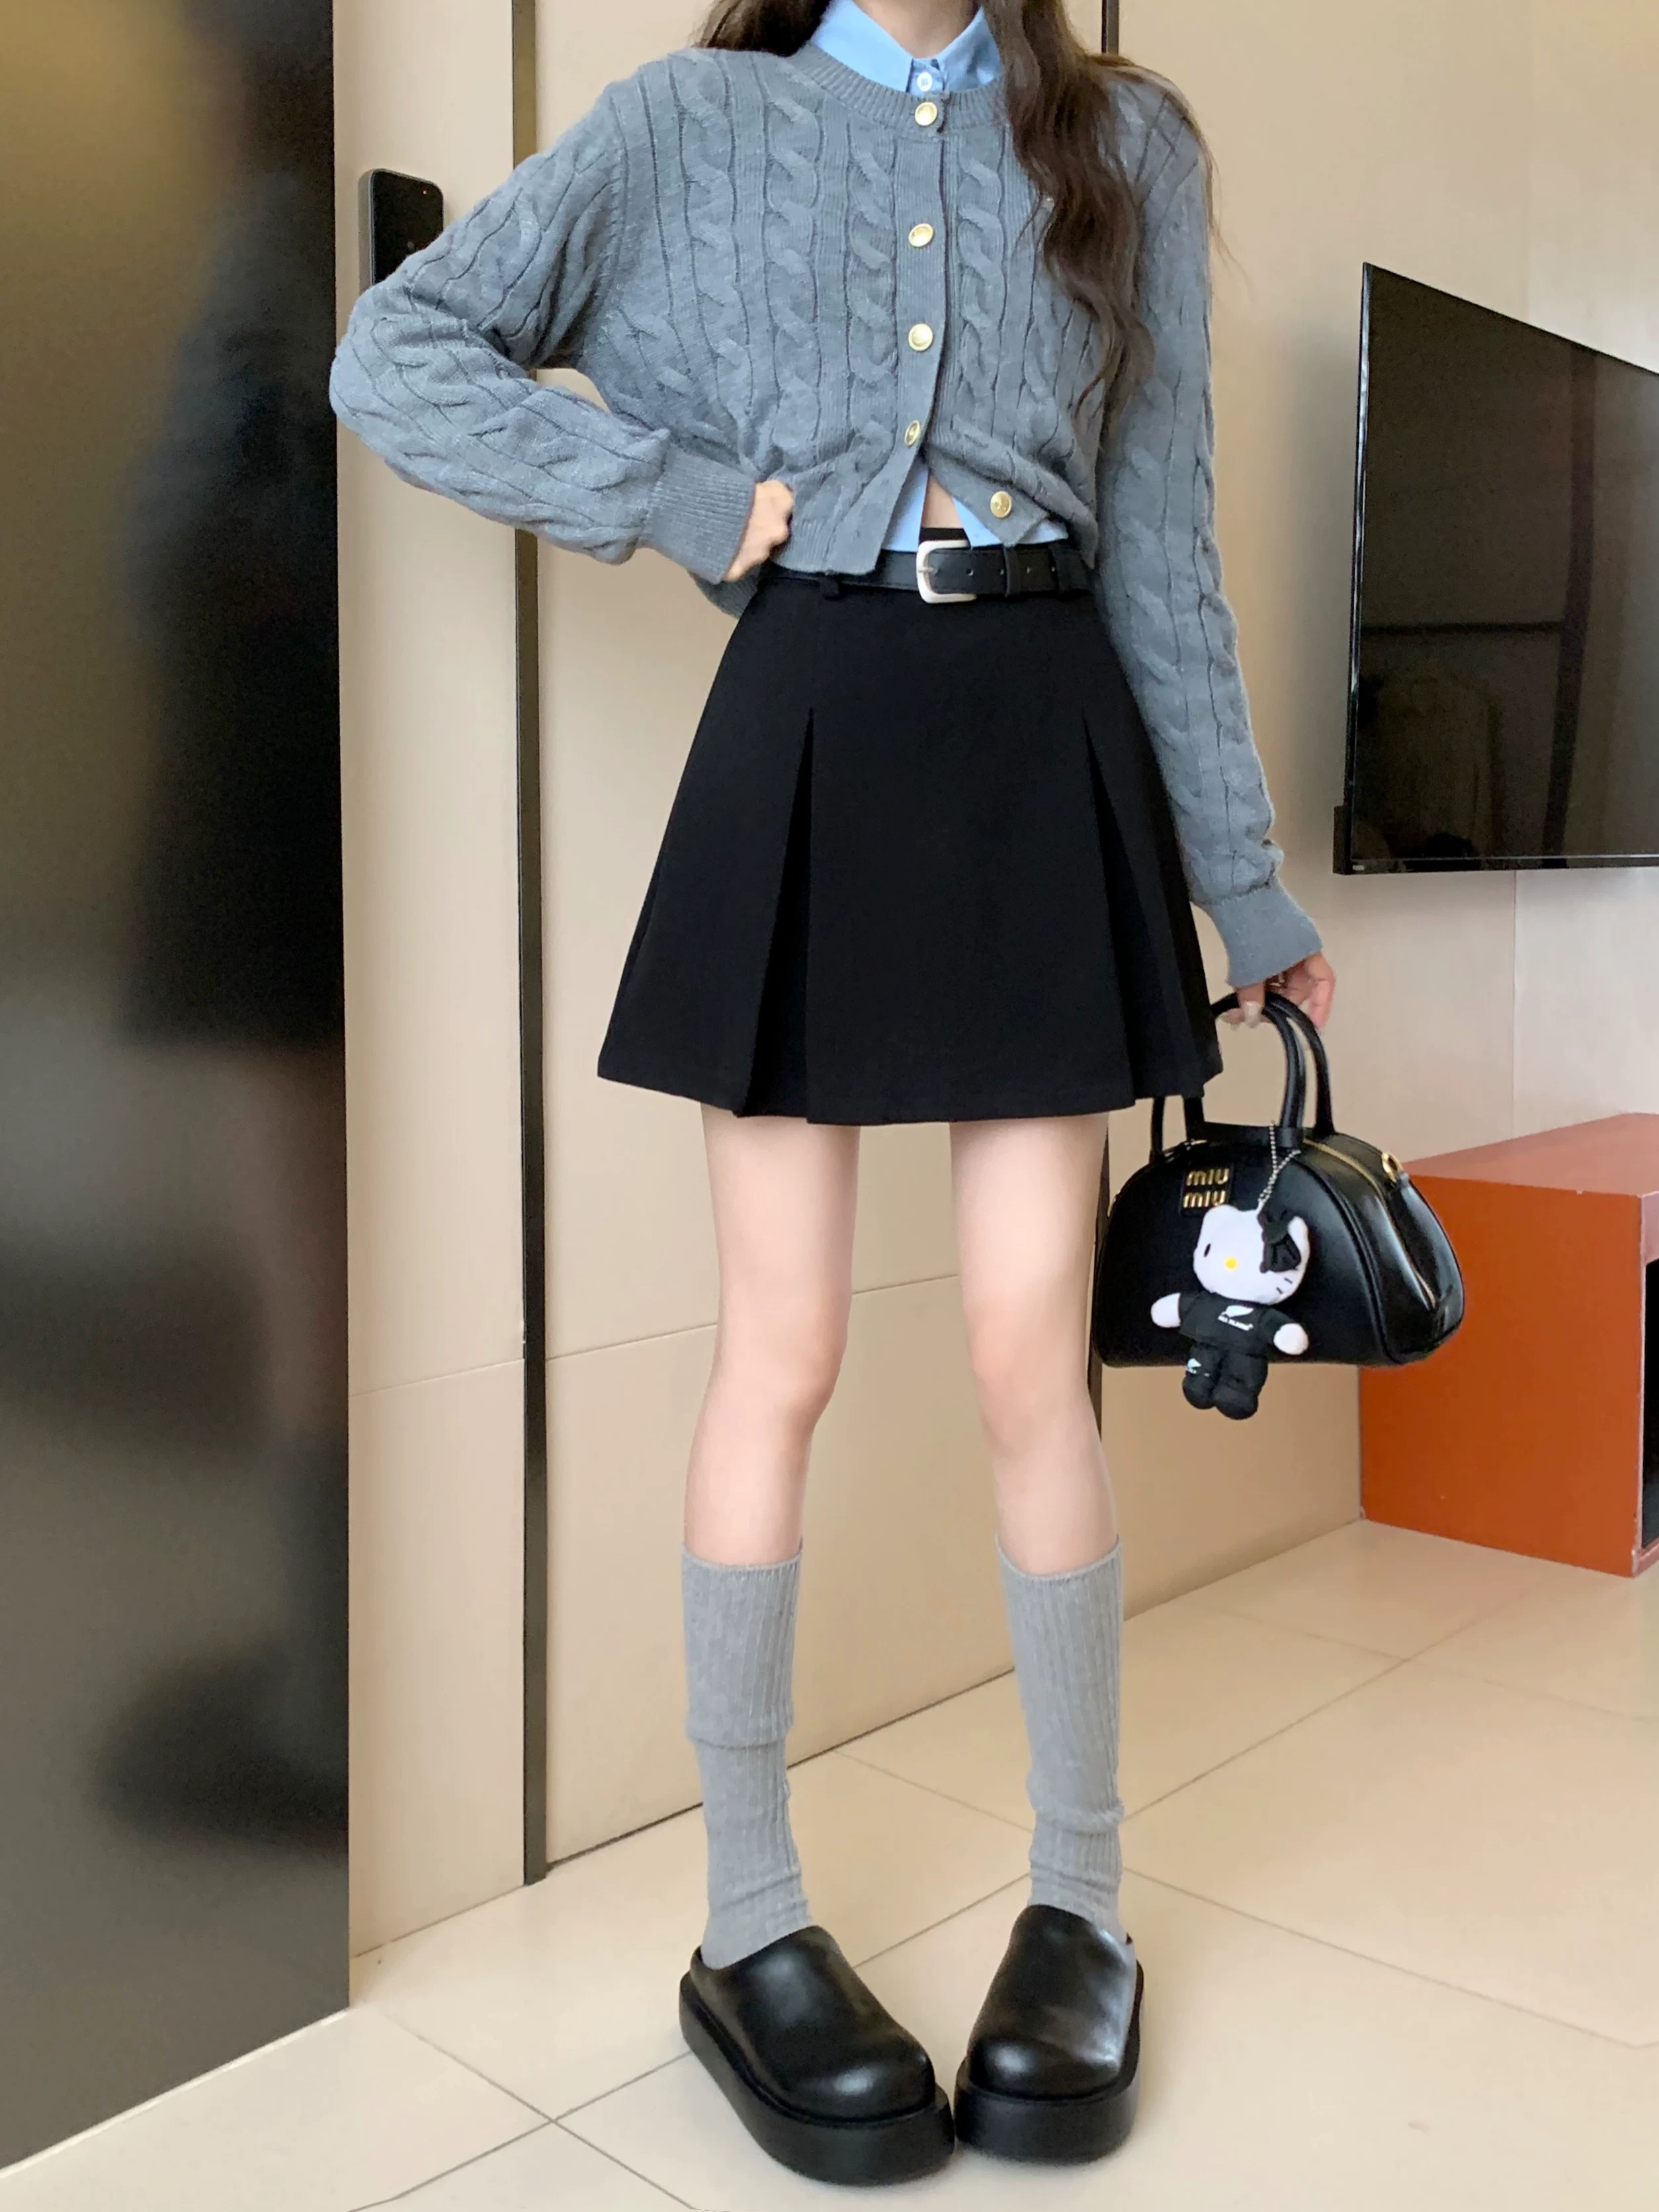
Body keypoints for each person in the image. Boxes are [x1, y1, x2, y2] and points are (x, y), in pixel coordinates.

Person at [331, 0, 1336, 2184]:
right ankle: (748, 1923)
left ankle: (1082, 1902)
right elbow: (395, 351)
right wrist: (682, 495)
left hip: (1045, 734)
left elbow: (1158, 528)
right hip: (806, 732)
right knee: (775, 1347)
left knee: (1025, 1352)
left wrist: (1240, 876)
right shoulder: (686, 122)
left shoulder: (1125, 143)